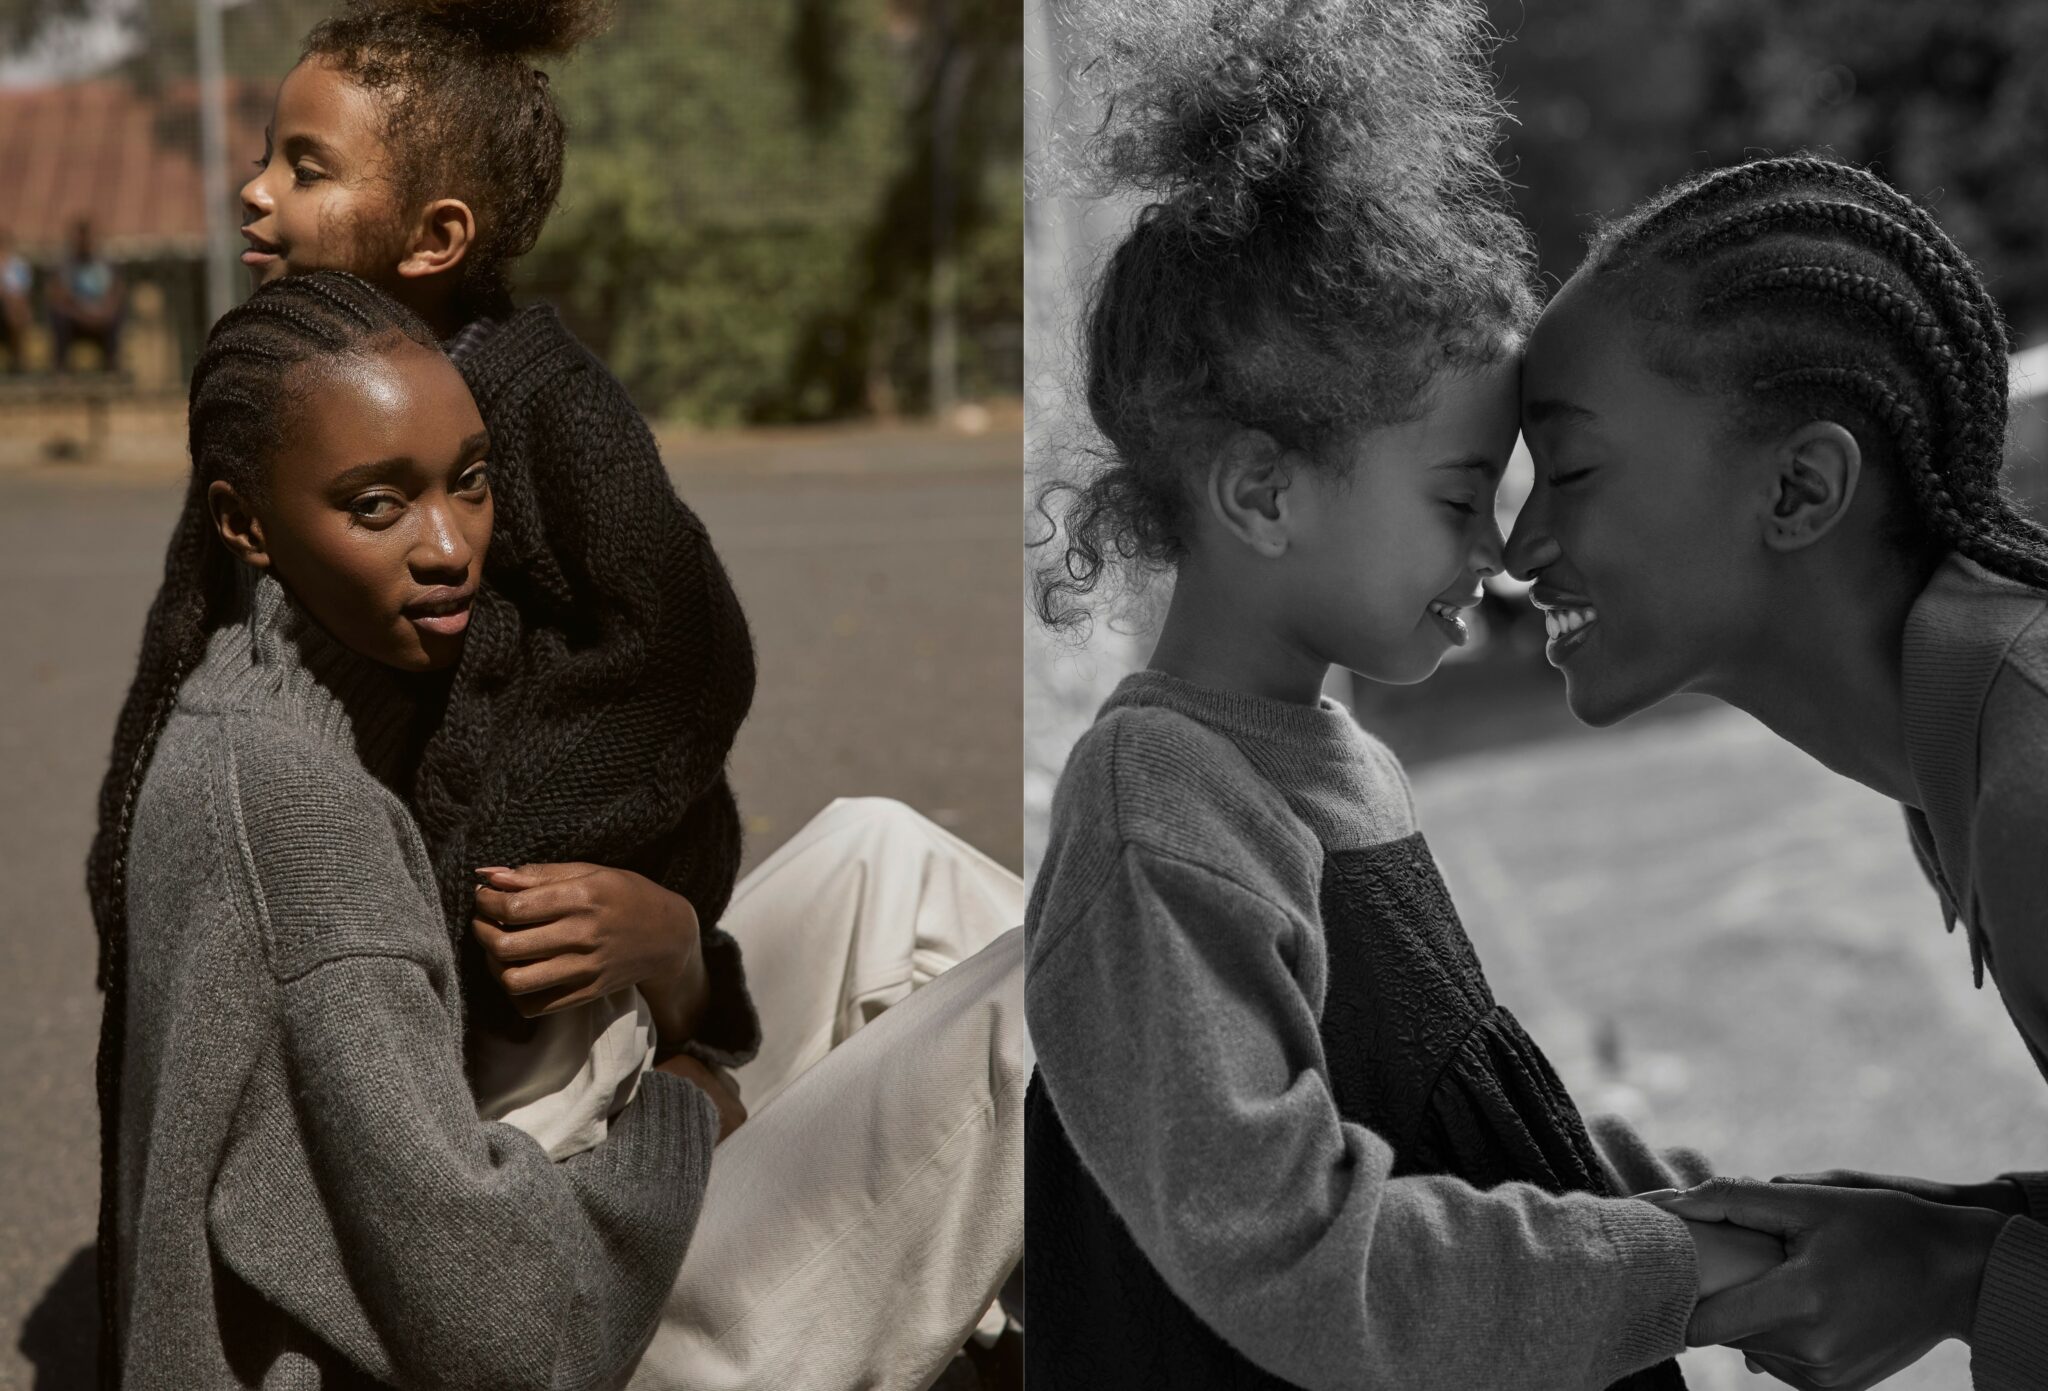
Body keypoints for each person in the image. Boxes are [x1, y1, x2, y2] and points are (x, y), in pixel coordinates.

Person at [116, 0, 1023, 1381]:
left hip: (537, 1090)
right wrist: (686, 1091)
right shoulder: (295, 807)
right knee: (1049, 1007)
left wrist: (669, 946)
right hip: (549, 1282)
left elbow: (676, 659)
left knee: (887, 855)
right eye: (380, 501)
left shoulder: (326, 604)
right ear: (247, 520)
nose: (449, 545)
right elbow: (503, 1313)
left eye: (473, 482)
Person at [1023, 1, 1778, 1387]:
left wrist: (1694, 1205)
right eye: (1455, 499)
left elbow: (1446, 1113)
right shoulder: (1158, 810)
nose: (1497, 551)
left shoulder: (1332, 758)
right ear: (1264, 493)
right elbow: (1296, 1255)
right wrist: (1674, 1271)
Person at [1506, 153, 2048, 1391]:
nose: (1520, 544)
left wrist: (1961, 1274)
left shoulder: (2029, 784)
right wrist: (1936, 1223)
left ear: (1799, 488)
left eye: (1570, 470)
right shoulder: (1961, 744)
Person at [48, 218, 123, 373]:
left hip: (102, 319)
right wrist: (83, 315)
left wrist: (101, 314)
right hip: (75, 320)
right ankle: (60, 369)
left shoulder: (106, 267)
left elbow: (115, 296)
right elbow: (59, 298)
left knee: (117, 316)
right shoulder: (65, 267)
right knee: (59, 316)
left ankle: (112, 366)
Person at [0, 227, 31, 371]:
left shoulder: (18, 265)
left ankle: (17, 358)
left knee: (15, 305)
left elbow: (22, 292)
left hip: (13, 309)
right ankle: (18, 358)